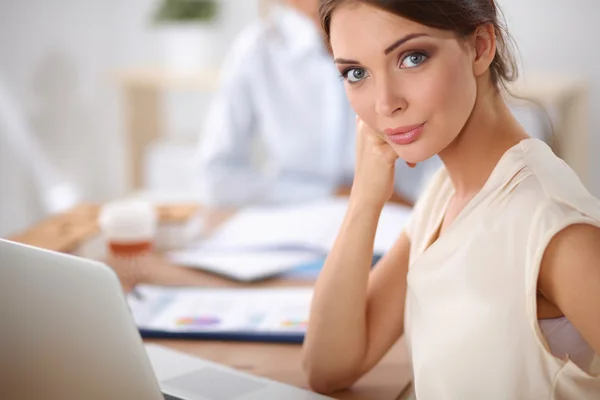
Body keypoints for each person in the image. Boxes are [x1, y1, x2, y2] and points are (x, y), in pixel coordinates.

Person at [302, 1, 600, 398]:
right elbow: (328, 366)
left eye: (412, 57)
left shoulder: (553, 226)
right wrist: (366, 197)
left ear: (480, 47)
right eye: (356, 73)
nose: (385, 103)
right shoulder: (446, 194)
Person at [196, 0, 440, 208]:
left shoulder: (406, 31)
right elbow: (216, 176)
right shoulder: (258, 49)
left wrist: (420, 211)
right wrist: (331, 195)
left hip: (401, 220)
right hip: (297, 228)